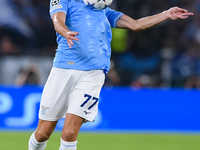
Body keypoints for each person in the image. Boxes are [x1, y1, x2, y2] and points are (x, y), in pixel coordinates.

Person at [28, 0, 193, 149]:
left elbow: (136, 25)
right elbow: (58, 20)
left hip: (93, 74)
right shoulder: (65, 1)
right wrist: (65, 32)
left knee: (70, 133)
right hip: (63, 70)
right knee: (43, 133)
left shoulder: (105, 11)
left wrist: (165, 14)